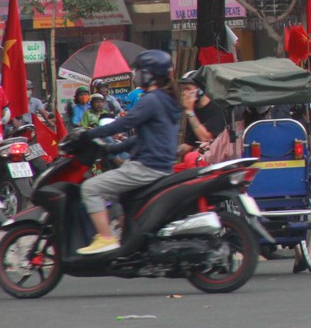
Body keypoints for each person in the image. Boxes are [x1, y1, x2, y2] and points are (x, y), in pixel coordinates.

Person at [74, 50, 183, 255]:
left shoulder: (152, 100)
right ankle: (128, 238)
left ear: (149, 74)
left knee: (90, 188)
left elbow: (123, 124)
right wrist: (111, 148)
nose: (135, 75)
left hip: (146, 167)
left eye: (138, 71)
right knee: (117, 194)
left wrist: (89, 134)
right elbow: (142, 138)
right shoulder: (167, 100)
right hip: (160, 166)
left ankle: (105, 239)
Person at [176, 70, 228, 157]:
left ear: (200, 90)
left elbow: (206, 139)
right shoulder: (194, 110)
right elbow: (190, 144)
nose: (184, 93)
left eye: (187, 89)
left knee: (190, 158)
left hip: (215, 156)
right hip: (200, 156)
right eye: (183, 90)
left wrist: (190, 112)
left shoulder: (217, 107)